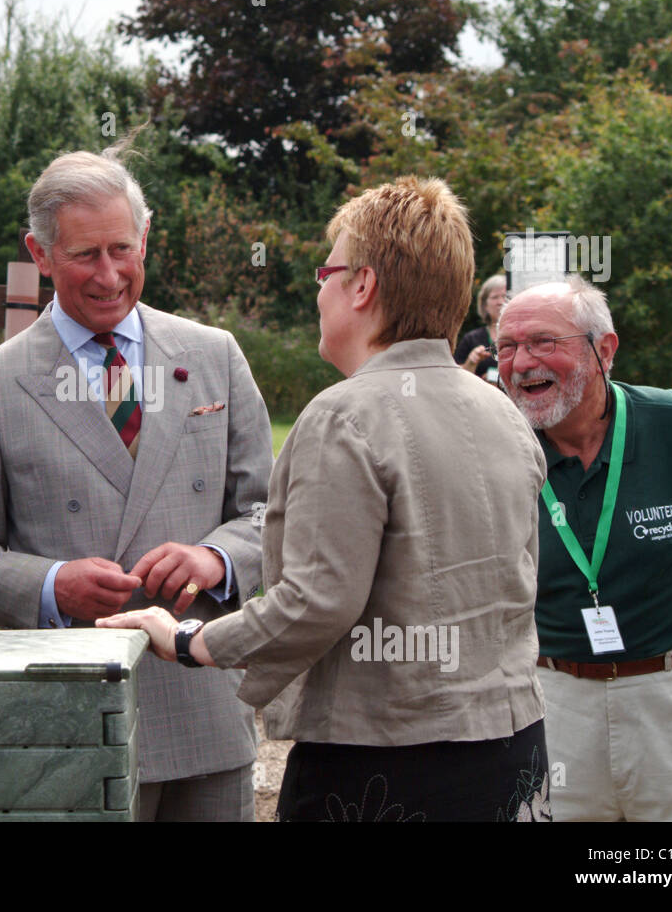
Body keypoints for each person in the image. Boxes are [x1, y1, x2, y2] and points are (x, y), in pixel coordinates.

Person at [100, 177, 552, 822]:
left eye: (327, 271)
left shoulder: (344, 415)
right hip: (512, 748)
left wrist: (190, 640)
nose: (320, 291)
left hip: (386, 760)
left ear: (362, 285)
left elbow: (316, 600)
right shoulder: (503, 411)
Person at [0, 142, 273, 821]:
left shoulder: (214, 356)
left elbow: (271, 512)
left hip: (205, 712)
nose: (110, 274)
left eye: (123, 248)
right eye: (86, 255)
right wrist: (53, 587)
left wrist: (216, 558)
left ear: (145, 238)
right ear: (40, 251)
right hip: (67, 726)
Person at [495, 276, 672, 821]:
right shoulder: (494, 445)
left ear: (604, 350)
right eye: (508, 347)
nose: (521, 363)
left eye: (544, 342)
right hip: (553, 700)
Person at [454, 273, 506, 381]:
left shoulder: (523, 337)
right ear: (485, 305)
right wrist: (471, 363)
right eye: (495, 297)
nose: (500, 302)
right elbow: (455, 379)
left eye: (505, 296)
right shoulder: (471, 339)